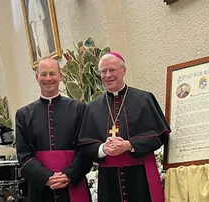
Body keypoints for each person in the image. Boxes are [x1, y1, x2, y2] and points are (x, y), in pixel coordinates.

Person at [78, 52, 170, 202]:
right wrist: (103, 149)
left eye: (112, 70)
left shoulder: (144, 99)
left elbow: (159, 135)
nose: (107, 75)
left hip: (140, 176)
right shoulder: (92, 108)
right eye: (103, 71)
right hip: (108, 180)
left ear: (123, 70)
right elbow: (85, 144)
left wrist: (129, 145)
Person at [15, 58, 92, 202]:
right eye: (43, 74)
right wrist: (46, 177)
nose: (48, 78)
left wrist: (68, 174)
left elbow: (86, 148)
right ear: (37, 77)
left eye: (52, 73)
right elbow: (24, 154)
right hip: (41, 187)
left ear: (60, 76)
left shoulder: (79, 108)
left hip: (73, 181)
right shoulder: (23, 114)